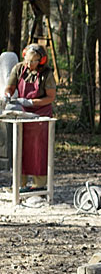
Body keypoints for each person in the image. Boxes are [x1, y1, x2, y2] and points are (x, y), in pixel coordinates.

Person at [3, 44, 56, 192]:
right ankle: (19, 183)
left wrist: (31, 102)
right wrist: (7, 94)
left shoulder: (47, 74)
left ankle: (39, 185)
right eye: (27, 60)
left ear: (41, 60)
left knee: (38, 150)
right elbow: (10, 86)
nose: (29, 64)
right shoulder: (19, 68)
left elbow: (50, 97)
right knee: (20, 148)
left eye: (33, 61)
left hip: (41, 115)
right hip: (23, 114)